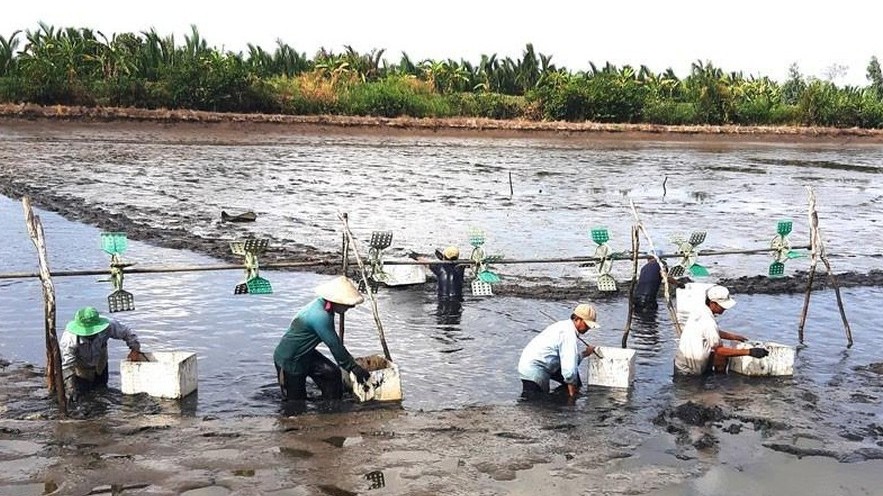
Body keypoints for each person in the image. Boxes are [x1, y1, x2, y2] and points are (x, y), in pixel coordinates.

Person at [273, 276, 372, 401]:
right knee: (296, 402)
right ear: (337, 301)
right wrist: (353, 367)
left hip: (306, 353)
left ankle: (331, 409)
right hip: (290, 359)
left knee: (332, 374)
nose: (350, 308)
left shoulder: (323, 306)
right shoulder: (320, 316)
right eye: (348, 305)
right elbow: (334, 344)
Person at [674, 285, 769, 376]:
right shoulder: (708, 321)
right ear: (712, 303)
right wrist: (750, 352)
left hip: (683, 363)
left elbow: (709, 333)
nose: (724, 309)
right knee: (722, 354)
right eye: (722, 306)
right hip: (689, 372)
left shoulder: (700, 311)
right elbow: (719, 350)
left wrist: (733, 337)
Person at [60, 306, 147, 403]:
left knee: (101, 389)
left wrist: (135, 349)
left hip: (100, 361)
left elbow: (127, 332)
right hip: (81, 366)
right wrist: (70, 387)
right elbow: (67, 366)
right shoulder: (69, 340)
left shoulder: (109, 325)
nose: (91, 335)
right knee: (82, 394)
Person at [518, 304, 600, 400]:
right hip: (535, 369)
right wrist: (572, 398)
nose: (588, 328)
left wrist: (585, 354)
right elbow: (569, 371)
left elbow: (570, 360)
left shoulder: (564, 326)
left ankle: (560, 398)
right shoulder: (568, 334)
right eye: (586, 325)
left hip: (537, 364)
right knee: (535, 405)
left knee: (575, 381)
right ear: (577, 319)